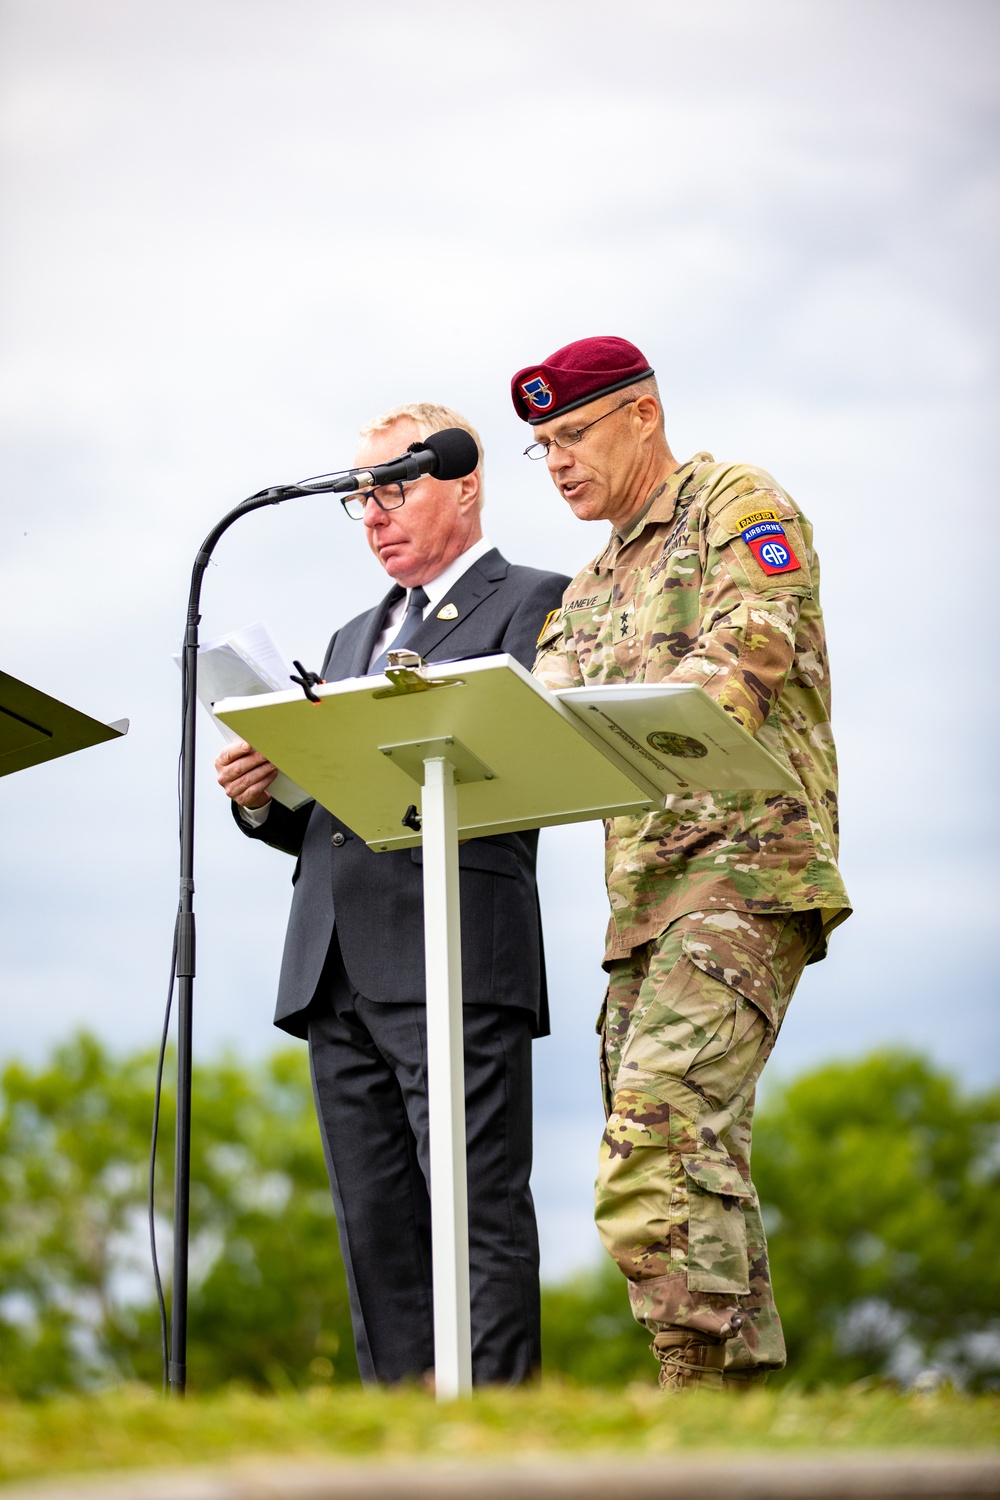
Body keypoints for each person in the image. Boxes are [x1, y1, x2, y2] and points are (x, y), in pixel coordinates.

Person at [514, 337, 851, 1390]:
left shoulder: (734, 506)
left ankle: (688, 1400)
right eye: (541, 446)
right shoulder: (592, 580)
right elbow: (537, 720)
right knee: (697, 1159)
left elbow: (746, 657)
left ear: (642, 415)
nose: (558, 461)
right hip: (643, 905)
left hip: (745, 875)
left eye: (572, 434)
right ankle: (740, 1414)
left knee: (653, 1142)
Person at [216, 402, 569, 1386]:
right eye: (360, 498)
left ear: (463, 484)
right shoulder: (345, 634)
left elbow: (533, 766)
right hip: (333, 961)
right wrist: (263, 796)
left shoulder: (537, 601)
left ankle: (492, 1433)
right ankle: (399, 1446)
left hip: (456, 947)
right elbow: (331, 811)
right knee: (375, 1228)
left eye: (395, 487)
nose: (373, 513)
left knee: (476, 1209)